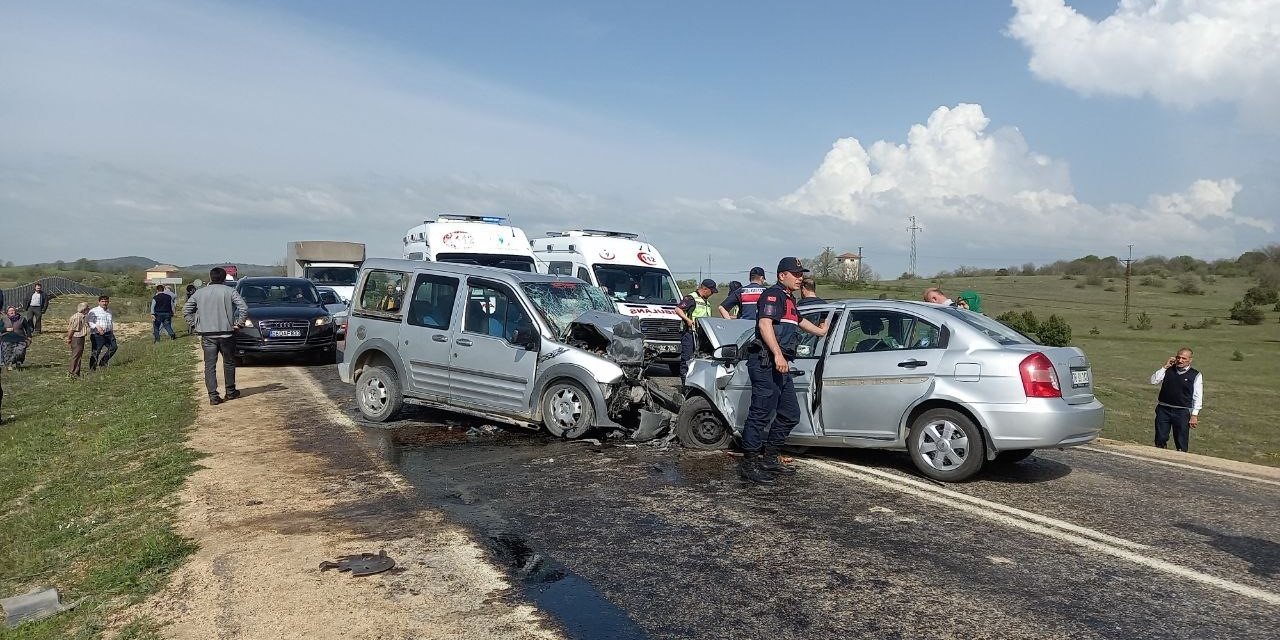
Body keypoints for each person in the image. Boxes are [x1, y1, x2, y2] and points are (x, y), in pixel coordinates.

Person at [738, 258, 829, 485]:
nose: (800, 278)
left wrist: (820, 331)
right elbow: (764, 325)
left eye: (801, 275)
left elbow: (798, 321)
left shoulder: (789, 299)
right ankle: (749, 465)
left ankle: (770, 458)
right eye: (796, 274)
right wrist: (778, 354)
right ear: (782, 276)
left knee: (789, 414)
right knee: (760, 413)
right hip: (766, 361)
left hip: (780, 364)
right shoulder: (773, 295)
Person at [183, 267, 249, 405]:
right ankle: (230, 392)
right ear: (224, 278)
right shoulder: (230, 291)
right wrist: (239, 324)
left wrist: (195, 325)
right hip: (227, 334)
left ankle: (213, 396)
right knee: (229, 363)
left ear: (210, 277)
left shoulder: (199, 293)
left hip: (207, 335)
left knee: (210, 366)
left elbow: (186, 310)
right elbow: (243, 308)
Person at [1150, 348, 1203, 452]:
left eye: (1184, 358)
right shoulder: (1168, 370)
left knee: (1181, 441)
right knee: (1160, 438)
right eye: (1178, 357)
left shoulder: (1195, 375)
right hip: (1163, 409)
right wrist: (1165, 367)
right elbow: (1154, 381)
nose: (1180, 360)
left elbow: (1198, 395)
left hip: (1181, 411)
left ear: (1190, 360)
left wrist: (1194, 415)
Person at [674, 279, 718, 378]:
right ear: (705, 289)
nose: (712, 294)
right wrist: (687, 320)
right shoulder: (691, 298)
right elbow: (678, 309)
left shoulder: (706, 302)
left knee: (701, 359)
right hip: (690, 334)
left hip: (702, 336)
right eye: (712, 291)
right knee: (687, 359)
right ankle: (685, 383)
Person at [86, 295, 118, 370]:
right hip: (97, 335)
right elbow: (89, 321)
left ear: (108, 302)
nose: (104, 303)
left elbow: (110, 322)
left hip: (108, 333)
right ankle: (92, 369)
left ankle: (103, 362)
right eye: (102, 301)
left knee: (114, 347)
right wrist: (97, 327)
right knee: (96, 352)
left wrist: (112, 331)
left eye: (106, 301)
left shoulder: (109, 311)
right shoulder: (94, 311)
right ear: (99, 302)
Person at [2, 306, 32, 371]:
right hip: (7, 338)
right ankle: (9, 364)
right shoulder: (4, 319)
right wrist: (6, 329)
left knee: (20, 352)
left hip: (20, 338)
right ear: (7, 312)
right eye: (10, 311)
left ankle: (18, 361)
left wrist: (29, 337)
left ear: (15, 311)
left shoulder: (22, 319)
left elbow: (27, 328)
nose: (11, 312)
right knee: (8, 352)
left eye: (13, 310)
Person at [66, 302, 90, 377]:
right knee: (76, 356)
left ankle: (76, 373)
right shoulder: (77, 317)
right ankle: (71, 373)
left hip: (80, 338)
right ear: (84, 309)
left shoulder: (82, 316)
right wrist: (69, 338)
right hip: (76, 338)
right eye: (88, 308)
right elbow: (72, 329)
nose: (89, 309)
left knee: (79, 356)